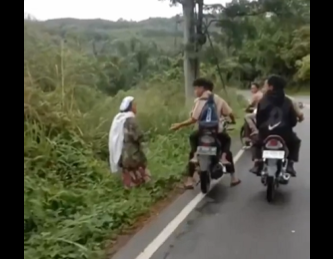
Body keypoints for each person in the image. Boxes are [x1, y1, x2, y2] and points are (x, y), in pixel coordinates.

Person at [170, 78, 241, 189]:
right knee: (226, 141)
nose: (195, 91)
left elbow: (193, 119)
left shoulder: (199, 101)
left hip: (202, 132)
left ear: (202, 88)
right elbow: (230, 113)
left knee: (193, 140)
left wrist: (179, 125)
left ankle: (189, 179)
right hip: (216, 132)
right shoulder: (218, 99)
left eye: (196, 88)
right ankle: (232, 176)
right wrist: (233, 121)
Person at [250, 75, 301, 176]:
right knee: (295, 142)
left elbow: (259, 120)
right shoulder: (288, 101)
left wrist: (261, 128)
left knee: (255, 142)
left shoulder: (262, 101)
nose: (264, 87)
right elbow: (293, 122)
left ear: (271, 87)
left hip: (265, 133)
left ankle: (258, 162)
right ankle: (290, 165)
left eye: (266, 85)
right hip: (285, 134)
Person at [109, 96, 151, 189]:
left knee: (128, 174)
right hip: (133, 154)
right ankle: (144, 188)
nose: (136, 107)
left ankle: (129, 189)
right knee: (141, 168)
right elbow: (139, 136)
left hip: (122, 154)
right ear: (131, 107)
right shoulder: (131, 120)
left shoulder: (119, 119)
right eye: (134, 105)